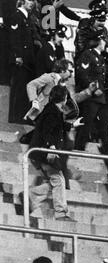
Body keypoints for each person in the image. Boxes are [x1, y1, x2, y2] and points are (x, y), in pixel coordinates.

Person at [28, 85, 83, 221]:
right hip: (44, 152)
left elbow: (56, 126)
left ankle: (30, 197)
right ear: (64, 99)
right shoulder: (52, 112)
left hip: (41, 152)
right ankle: (61, 213)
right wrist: (51, 147)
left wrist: (72, 125)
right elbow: (47, 131)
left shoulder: (52, 110)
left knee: (55, 182)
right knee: (58, 180)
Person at [8, 0, 36, 124]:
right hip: (20, 59)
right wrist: (17, 55)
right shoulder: (16, 16)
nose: (32, 3)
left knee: (23, 88)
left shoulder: (28, 18)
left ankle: (20, 116)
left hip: (27, 60)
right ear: (22, 2)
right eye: (29, 0)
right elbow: (14, 38)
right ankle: (14, 117)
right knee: (18, 88)